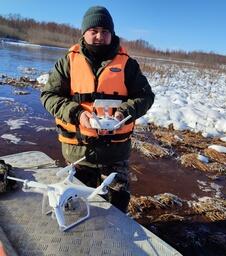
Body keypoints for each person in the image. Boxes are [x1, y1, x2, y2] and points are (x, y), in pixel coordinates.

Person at [40, 6, 154, 213]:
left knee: (116, 208)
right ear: (84, 33)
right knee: (76, 207)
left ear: (112, 34)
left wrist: (124, 113)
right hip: (77, 152)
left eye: (105, 31)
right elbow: (49, 96)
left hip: (115, 155)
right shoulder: (67, 62)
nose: (100, 36)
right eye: (94, 31)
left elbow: (146, 96)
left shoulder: (129, 66)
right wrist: (77, 113)